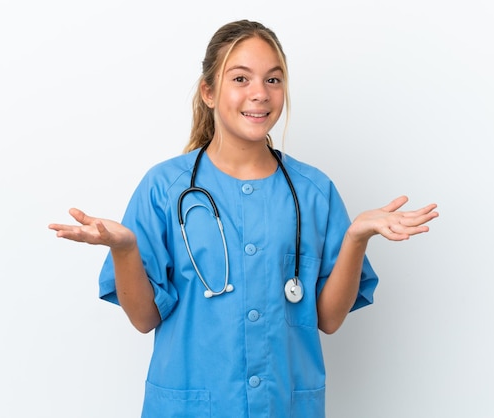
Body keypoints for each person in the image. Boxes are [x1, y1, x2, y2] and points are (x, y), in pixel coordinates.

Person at [49, 19, 438, 418]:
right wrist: (126, 249)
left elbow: (328, 319)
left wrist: (356, 238)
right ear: (209, 92)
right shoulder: (165, 187)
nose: (260, 94)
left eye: (273, 80)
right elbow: (144, 319)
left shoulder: (313, 191)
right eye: (240, 78)